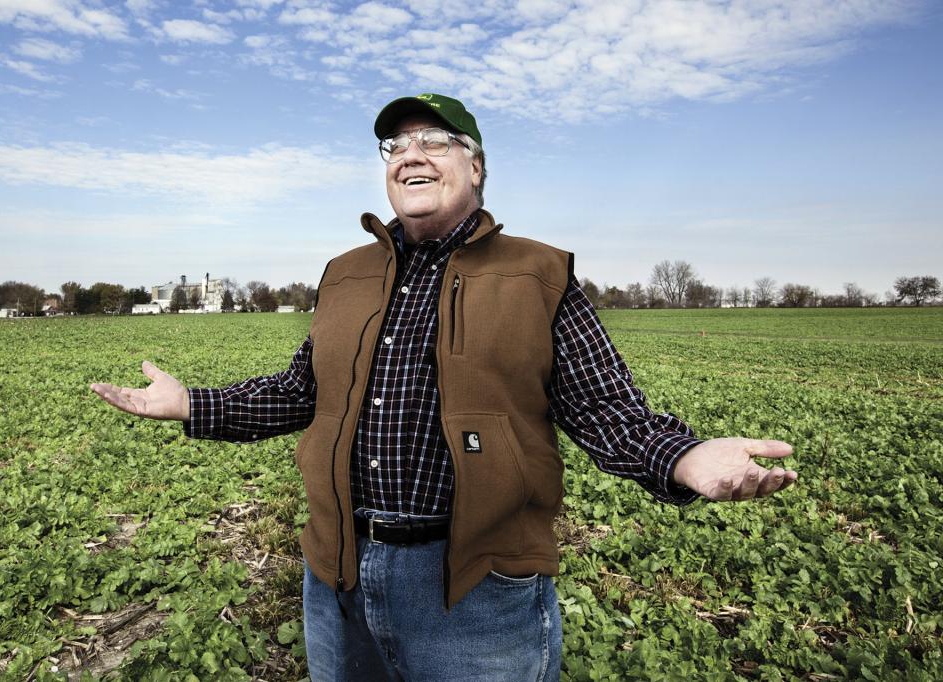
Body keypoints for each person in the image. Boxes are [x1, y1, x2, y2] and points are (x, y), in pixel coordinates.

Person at [91, 93, 798, 681]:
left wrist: (683, 457)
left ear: (475, 166)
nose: (411, 155)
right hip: (337, 575)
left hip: (474, 589)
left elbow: (602, 407)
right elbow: (302, 390)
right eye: (396, 147)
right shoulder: (345, 273)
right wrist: (191, 403)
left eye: (434, 140)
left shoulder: (537, 274)